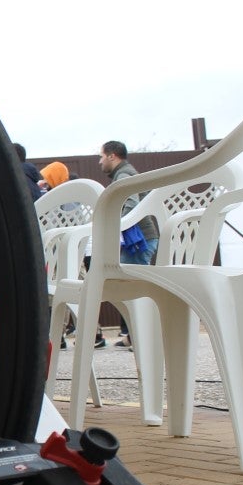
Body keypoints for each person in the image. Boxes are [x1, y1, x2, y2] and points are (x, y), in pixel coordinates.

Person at [98, 140, 159, 348]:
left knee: (135, 292)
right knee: (132, 290)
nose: (100, 161)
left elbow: (130, 203)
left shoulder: (124, 176)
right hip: (139, 240)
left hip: (138, 241)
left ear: (112, 156)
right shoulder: (128, 173)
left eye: (102, 156)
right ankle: (135, 337)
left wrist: (113, 227)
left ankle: (146, 338)